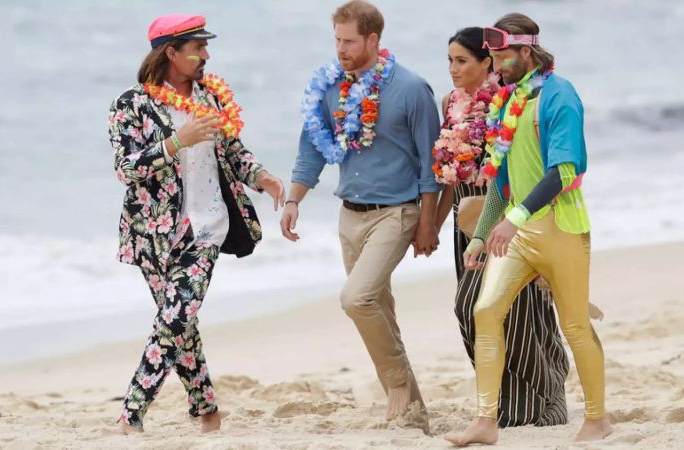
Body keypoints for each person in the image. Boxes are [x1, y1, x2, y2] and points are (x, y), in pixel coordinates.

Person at [107, 14, 285, 434]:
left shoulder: (212, 97)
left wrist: (261, 176)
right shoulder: (130, 105)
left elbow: (233, 151)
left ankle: (131, 413)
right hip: (151, 232)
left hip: (207, 226)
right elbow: (126, 170)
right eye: (198, 47)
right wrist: (175, 142)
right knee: (180, 325)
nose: (206, 54)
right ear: (171, 52)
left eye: (206, 46)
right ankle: (207, 411)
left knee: (175, 317)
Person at [444, 13, 612, 445]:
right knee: (485, 310)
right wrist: (482, 234)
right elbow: (502, 181)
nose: (496, 62)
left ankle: (597, 418)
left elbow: (563, 170)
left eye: (502, 54)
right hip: (516, 232)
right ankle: (485, 421)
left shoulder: (560, 95)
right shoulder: (506, 100)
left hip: (561, 227)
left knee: (574, 325)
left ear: (526, 50)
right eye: (493, 55)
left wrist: (513, 221)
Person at [280, 0, 440, 432]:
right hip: (349, 214)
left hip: (398, 212)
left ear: (373, 39)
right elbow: (312, 148)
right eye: (336, 39)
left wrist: (429, 223)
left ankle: (396, 386)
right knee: (379, 310)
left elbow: (432, 165)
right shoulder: (329, 87)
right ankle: (413, 415)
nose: (341, 49)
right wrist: (294, 200)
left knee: (356, 299)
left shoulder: (411, 89)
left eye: (349, 41)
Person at [432, 26, 570, 428]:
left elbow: (527, 166)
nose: (453, 69)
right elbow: (445, 176)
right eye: (450, 61)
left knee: (519, 310)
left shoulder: (508, 100)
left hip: (508, 213)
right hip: (466, 218)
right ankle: (502, 401)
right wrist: (434, 223)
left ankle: (541, 399)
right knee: (481, 310)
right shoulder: (448, 103)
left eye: (462, 61)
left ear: (487, 62)